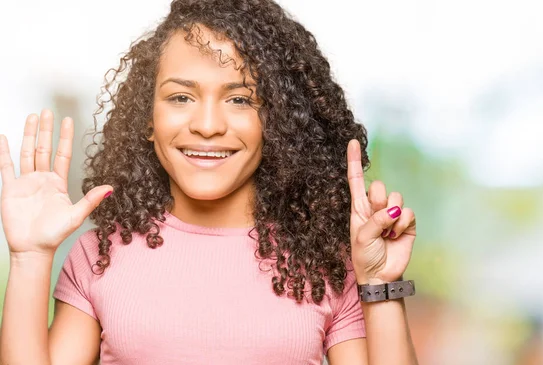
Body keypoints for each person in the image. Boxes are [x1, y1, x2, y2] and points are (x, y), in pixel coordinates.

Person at [0, 0, 418, 364]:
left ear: (276, 122)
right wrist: (30, 257)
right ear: (148, 118)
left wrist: (381, 285)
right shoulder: (99, 254)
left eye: (240, 99)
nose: (206, 125)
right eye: (181, 97)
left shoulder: (323, 263)